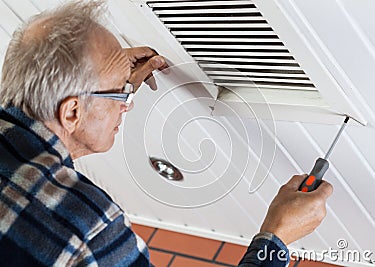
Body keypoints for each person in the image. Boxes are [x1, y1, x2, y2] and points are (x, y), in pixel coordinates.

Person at [0, 1, 333, 266]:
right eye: (120, 92)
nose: (127, 103)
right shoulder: (88, 228)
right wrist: (275, 238)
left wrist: (108, 81)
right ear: (71, 112)